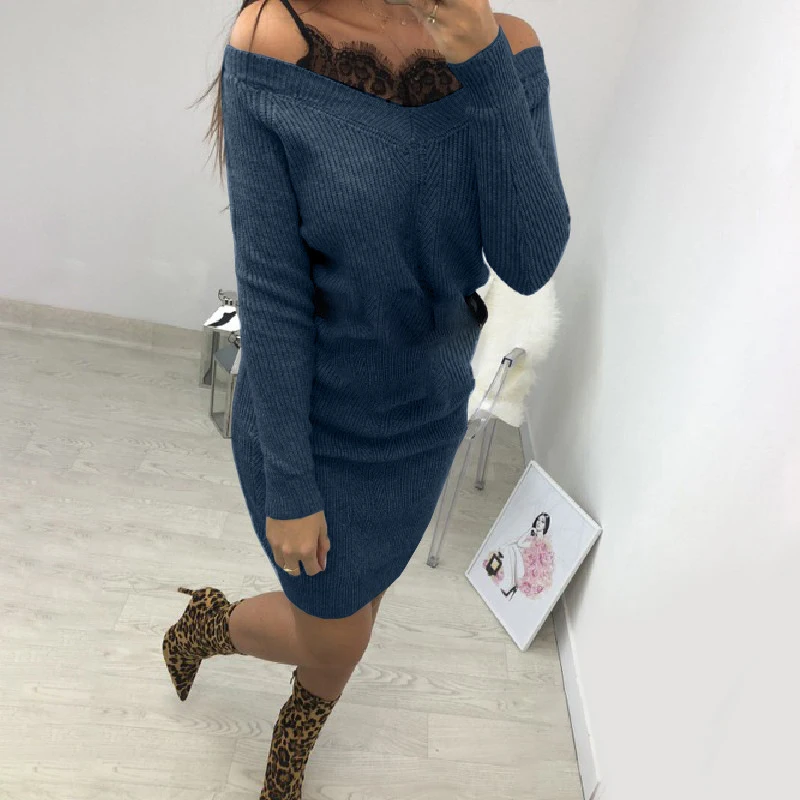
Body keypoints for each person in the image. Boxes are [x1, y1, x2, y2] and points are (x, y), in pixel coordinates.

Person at [162, 1, 570, 797]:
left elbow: (528, 260)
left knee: (359, 605)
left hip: (423, 415)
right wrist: (290, 483)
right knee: (334, 633)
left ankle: (291, 746)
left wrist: (484, 62)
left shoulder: (507, 46)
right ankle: (208, 622)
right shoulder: (274, 37)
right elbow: (273, 288)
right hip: (311, 417)